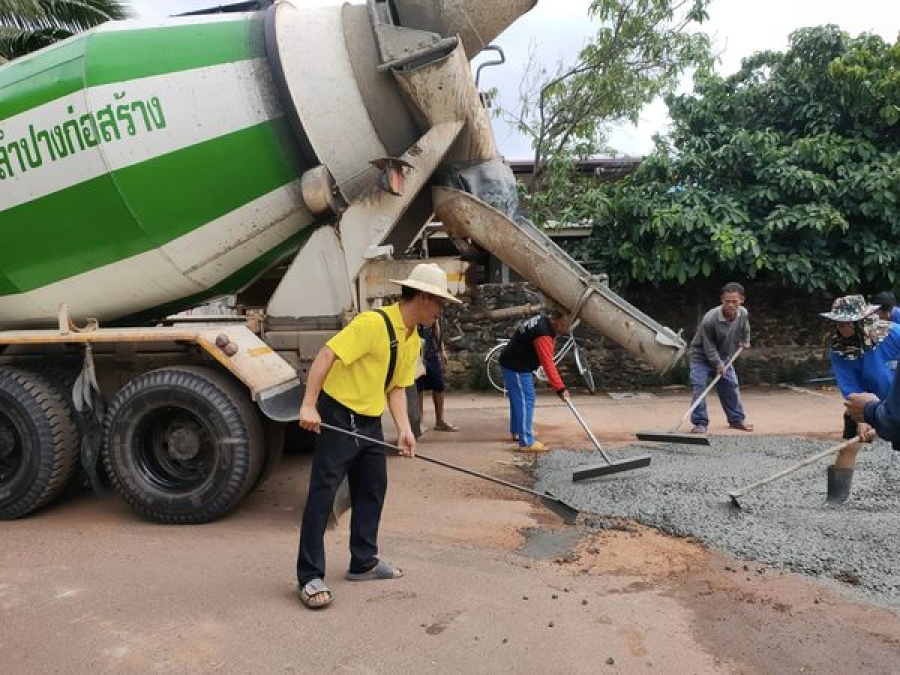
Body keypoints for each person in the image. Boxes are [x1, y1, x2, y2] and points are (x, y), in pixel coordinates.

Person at [295, 263, 461, 609]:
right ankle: (310, 575)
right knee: (322, 496)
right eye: (440, 303)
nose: (441, 310)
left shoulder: (413, 337)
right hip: (339, 415)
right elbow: (327, 356)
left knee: (372, 490)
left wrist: (403, 429)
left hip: (369, 423)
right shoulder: (372, 323)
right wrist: (310, 405)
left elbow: (398, 387)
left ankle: (364, 561)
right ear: (424, 297)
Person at [822, 294, 900, 502]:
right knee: (850, 445)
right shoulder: (840, 350)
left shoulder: (893, 334)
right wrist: (862, 419)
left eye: (848, 323)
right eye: (839, 323)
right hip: (866, 401)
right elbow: (851, 389)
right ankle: (835, 500)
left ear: (862, 320)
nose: (843, 328)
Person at [498, 307, 572, 452]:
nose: (566, 328)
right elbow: (548, 364)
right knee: (527, 399)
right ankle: (527, 441)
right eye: (564, 323)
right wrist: (561, 389)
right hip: (517, 366)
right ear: (556, 319)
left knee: (518, 399)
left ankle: (519, 431)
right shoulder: (543, 334)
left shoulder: (543, 320)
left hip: (511, 361)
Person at [688, 282, 752, 434]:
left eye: (734, 301)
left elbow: (745, 327)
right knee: (699, 386)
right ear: (722, 299)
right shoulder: (709, 319)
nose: (730, 305)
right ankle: (700, 422)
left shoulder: (743, 313)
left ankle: (736, 420)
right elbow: (708, 347)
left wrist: (746, 340)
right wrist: (718, 365)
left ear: (741, 300)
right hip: (701, 357)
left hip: (725, 356)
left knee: (730, 386)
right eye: (727, 301)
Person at [416, 318, 458, 432]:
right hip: (416, 354)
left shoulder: (433, 310)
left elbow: (436, 329)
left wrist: (442, 350)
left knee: (439, 385)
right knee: (418, 388)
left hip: (431, 352)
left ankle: (440, 421)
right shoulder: (414, 309)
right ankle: (419, 422)